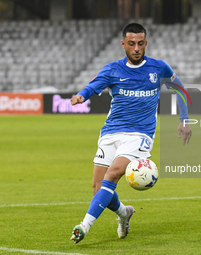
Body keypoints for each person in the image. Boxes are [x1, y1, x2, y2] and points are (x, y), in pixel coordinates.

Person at [69, 23, 192, 244]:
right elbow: (93, 85)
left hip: (140, 135)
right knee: (98, 189)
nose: (136, 48)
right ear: (123, 44)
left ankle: (83, 226)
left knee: (113, 175)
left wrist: (184, 120)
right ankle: (124, 213)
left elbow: (180, 90)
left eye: (141, 43)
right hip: (111, 132)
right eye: (132, 44)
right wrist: (81, 95)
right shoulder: (113, 69)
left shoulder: (159, 68)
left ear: (146, 43)